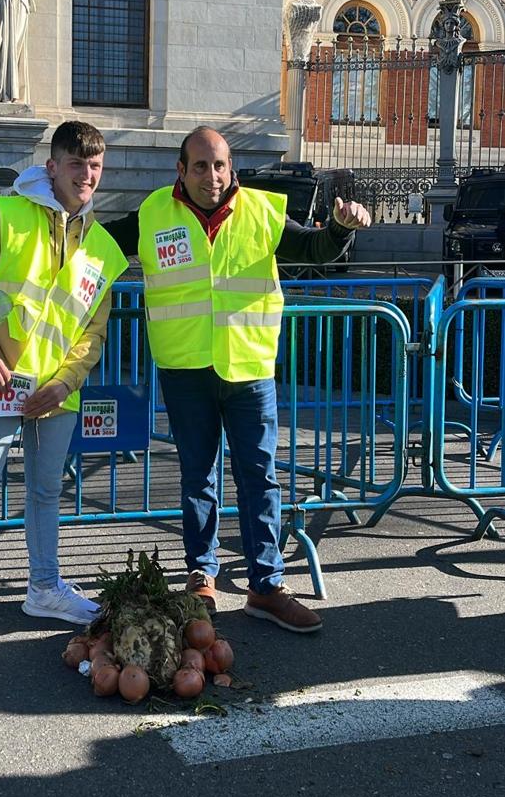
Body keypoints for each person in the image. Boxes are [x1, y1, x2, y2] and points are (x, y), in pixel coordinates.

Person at [104, 126, 371, 633]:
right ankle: (202, 575)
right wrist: (45, 210)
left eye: (220, 165)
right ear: (180, 170)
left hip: (249, 371)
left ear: (233, 170)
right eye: (200, 166)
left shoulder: (263, 212)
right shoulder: (153, 213)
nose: (212, 175)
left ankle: (265, 586)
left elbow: (316, 252)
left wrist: (339, 228)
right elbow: (92, 248)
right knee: (198, 479)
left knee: (258, 478)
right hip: (186, 370)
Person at [0, 121, 128, 666]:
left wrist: (65, 383)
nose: (88, 175)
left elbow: (92, 333)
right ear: (52, 165)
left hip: (54, 393)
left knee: (44, 494)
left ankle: (44, 589)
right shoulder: (6, 215)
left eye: (96, 166)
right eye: (77, 164)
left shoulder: (104, 247)